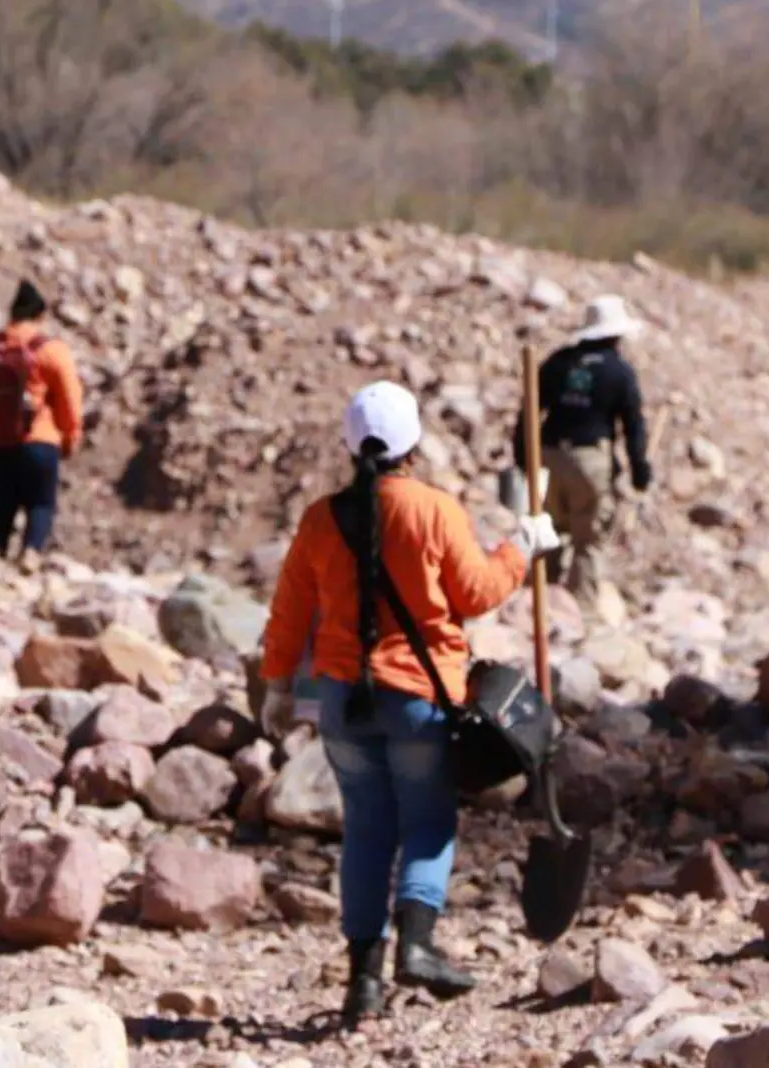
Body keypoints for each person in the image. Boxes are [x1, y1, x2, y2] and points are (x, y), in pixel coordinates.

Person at [258, 382, 560, 1028]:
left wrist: (278, 685)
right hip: (421, 698)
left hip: (343, 701)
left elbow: (289, 612)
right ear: (413, 448)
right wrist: (523, 544)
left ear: (348, 446)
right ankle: (417, 944)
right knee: (426, 823)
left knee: (366, 831)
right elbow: (477, 592)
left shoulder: (319, 518)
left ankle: (362, 984)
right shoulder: (432, 510)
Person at [511, 294, 652, 604]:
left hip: (548, 456)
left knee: (547, 529)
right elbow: (633, 426)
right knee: (587, 539)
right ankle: (579, 611)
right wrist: (639, 470)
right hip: (590, 460)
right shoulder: (619, 372)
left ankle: (537, 605)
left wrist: (523, 455)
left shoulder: (558, 363)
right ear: (616, 334)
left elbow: (529, 410)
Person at [0, 280, 84, 568]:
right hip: (37, 442)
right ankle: (31, 553)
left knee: (2, 505)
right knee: (41, 504)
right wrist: (70, 437)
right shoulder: (50, 350)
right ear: (40, 316)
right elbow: (70, 398)